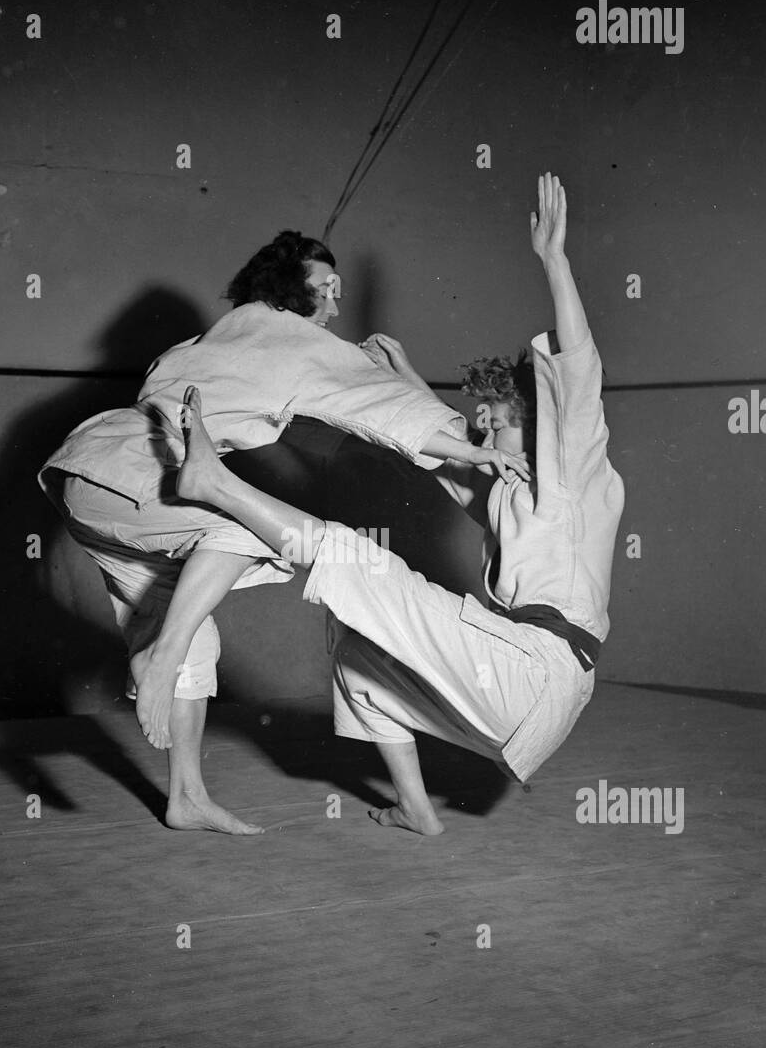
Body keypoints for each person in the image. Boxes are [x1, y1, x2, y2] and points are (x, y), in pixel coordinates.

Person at [172, 174, 626, 835]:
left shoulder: (577, 473)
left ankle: (214, 485)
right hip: (511, 691)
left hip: (537, 674)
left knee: (359, 559)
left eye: (500, 423)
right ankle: (417, 809)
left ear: (543, 424)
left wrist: (554, 263)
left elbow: (579, 370)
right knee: (358, 648)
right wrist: (402, 380)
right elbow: (451, 455)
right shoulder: (512, 498)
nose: (488, 434)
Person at [39, 230, 520, 835]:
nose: (337, 308)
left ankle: (184, 796)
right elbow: (380, 413)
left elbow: (323, 410)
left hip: (89, 484)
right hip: (133, 477)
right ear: (292, 289)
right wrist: (472, 455)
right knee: (259, 530)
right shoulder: (291, 336)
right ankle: (159, 660)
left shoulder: (205, 340)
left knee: (194, 630)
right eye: (329, 290)